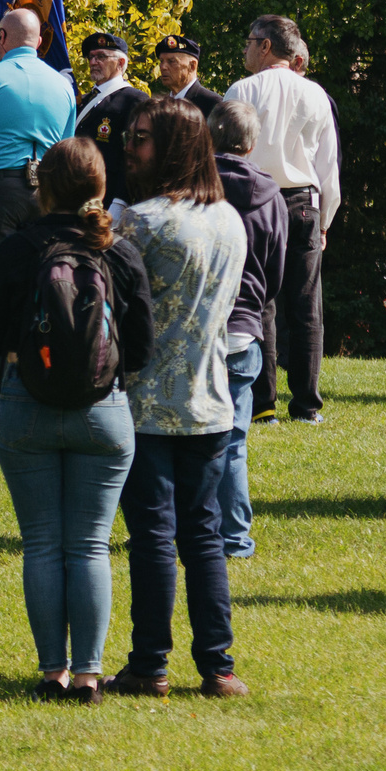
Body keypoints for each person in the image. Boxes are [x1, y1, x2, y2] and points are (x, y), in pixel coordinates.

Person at [0, 137, 152, 702]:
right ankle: (87, 677)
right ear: (101, 187)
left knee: (42, 543)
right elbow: (141, 350)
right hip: (104, 414)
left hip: (24, 405)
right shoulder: (119, 252)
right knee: (91, 545)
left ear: (43, 187)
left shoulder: (19, 248)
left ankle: (52, 672)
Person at [108, 96, 251, 699]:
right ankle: (219, 668)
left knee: (152, 538)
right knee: (203, 537)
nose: (129, 148)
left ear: (171, 147)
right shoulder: (230, 220)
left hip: (146, 405)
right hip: (211, 400)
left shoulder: (141, 224)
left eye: (140, 138)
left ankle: (150, 665)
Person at [0, 7, 79, 414]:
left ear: (1, 38)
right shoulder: (63, 87)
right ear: (39, 41)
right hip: (49, 195)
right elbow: (67, 148)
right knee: (46, 288)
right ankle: (44, 382)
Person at [222, 14, 340, 423]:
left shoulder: (242, 90)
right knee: (306, 305)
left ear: (266, 46)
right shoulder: (316, 94)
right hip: (303, 201)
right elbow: (328, 165)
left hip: (253, 199)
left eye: (250, 40)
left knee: (260, 300)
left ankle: (263, 403)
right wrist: (325, 220)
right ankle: (306, 404)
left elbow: (226, 153)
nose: (246, 48)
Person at [208, 100, 285, 558]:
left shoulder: (191, 186)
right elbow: (276, 270)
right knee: (233, 439)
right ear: (252, 143)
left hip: (196, 323)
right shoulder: (270, 195)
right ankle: (234, 536)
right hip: (243, 323)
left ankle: (176, 527)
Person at [72, 32, 153, 201]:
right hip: (76, 189)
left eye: (101, 57)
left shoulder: (134, 99)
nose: (93, 62)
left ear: (120, 63)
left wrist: (120, 200)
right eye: (91, 57)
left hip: (107, 194)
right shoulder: (83, 100)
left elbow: (134, 155)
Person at [152, 36, 223, 118]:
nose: (163, 67)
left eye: (171, 61)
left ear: (192, 66)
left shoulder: (212, 104)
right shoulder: (160, 106)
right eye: (161, 61)